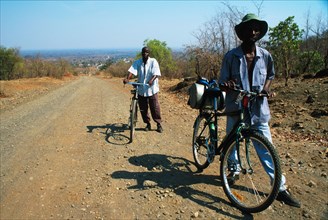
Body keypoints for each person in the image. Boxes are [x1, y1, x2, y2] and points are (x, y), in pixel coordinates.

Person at [218, 13, 301, 208]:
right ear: (242, 33)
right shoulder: (231, 56)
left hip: (258, 109)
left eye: (256, 29)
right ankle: (233, 170)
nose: (253, 32)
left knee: (266, 147)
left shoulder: (265, 56)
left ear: (259, 33)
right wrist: (227, 84)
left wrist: (266, 88)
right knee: (233, 141)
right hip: (236, 107)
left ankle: (279, 188)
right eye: (248, 29)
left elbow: (270, 75)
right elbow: (221, 82)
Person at [123, 46, 163, 133]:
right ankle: (148, 124)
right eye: (143, 52)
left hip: (151, 88)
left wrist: (151, 80)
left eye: (147, 52)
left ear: (149, 53)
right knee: (143, 108)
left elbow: (156, 73)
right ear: (141, 53)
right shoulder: (138, 62)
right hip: (141, 88)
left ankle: (158, 124)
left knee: (154, 107)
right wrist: (127, 79)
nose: (145, 53)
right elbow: (132, 71)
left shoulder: (153, 61)